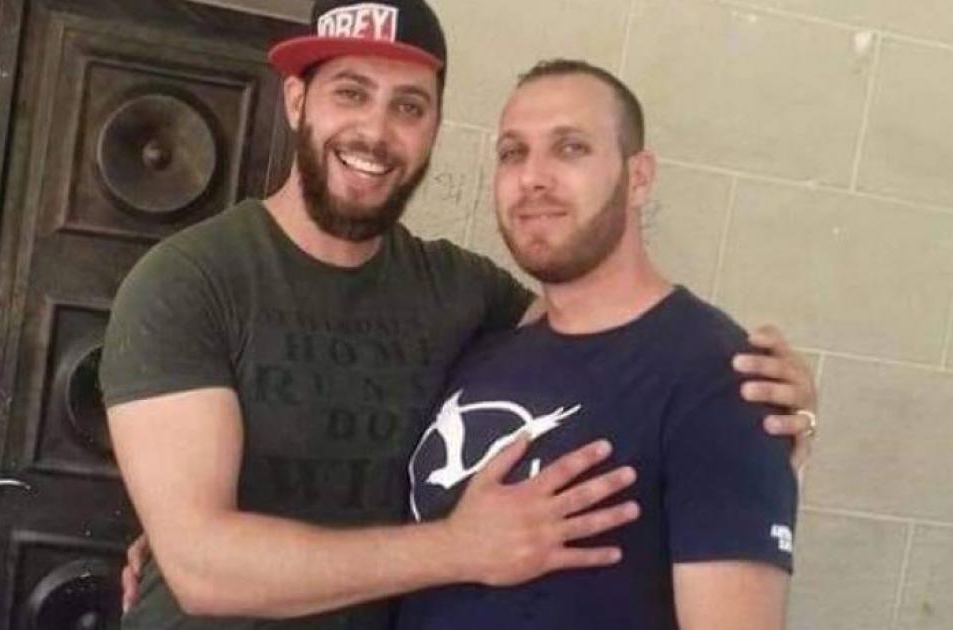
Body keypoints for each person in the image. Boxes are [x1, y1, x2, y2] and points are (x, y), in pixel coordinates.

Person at [101, 1, 817, 628]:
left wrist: (765, 402)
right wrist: (459, 548)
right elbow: (202, 569)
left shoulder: (463, 293)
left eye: (409, 106)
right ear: (297, 101)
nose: (376, 131)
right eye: (350, 92)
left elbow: (605, 334)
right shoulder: (189, 281)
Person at [396, 59, 798, 630]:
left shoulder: (720, 378)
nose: (532, 177)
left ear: (638, 178)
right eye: (513, 152)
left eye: (570, 148)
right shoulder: (487, 353)